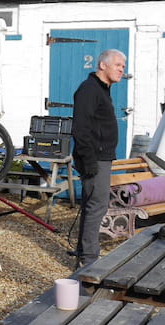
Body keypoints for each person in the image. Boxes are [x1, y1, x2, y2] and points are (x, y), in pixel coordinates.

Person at [73, 49, 126, 268]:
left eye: (123, 66)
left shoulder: (102, 90)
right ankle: (90, 262)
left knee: (92, 207)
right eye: (118, 65)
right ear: (103, 65)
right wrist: (90, 162)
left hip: (102, 158)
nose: (122, 69)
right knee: (97, 208)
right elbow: (80, 128)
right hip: (95, 159)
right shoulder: (89, 89)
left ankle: (84, 257)